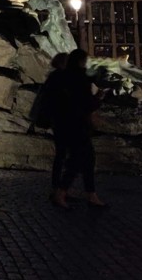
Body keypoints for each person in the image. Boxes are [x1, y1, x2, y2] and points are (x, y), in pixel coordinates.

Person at [41, 49, 107, 210]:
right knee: (79, 159)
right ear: (80, 62)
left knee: (84, 158)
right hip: (77, 125)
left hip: (63, 124)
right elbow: (85, 103)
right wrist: (98, 98)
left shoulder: (62, 77)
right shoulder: (79, 78)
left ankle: (88, 194)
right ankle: (62, 191)